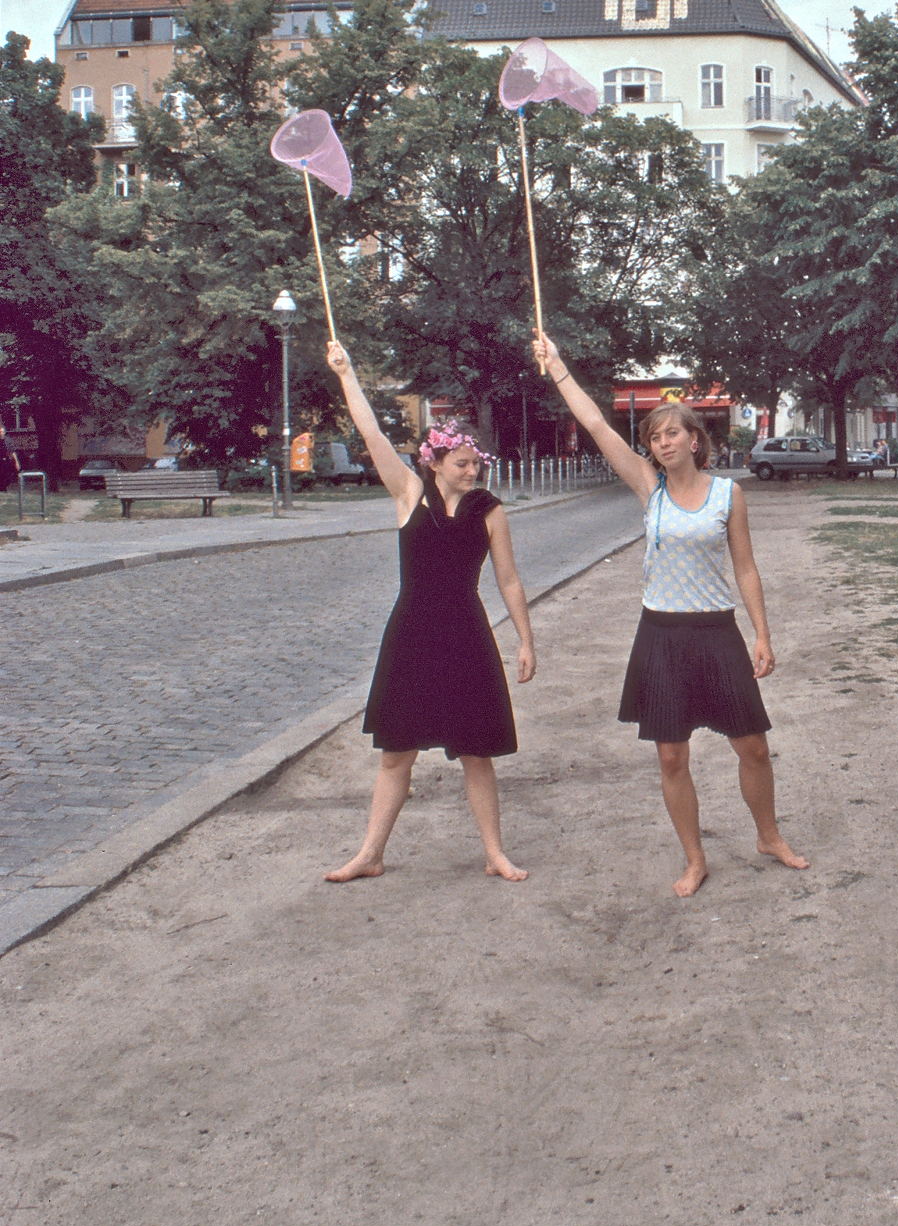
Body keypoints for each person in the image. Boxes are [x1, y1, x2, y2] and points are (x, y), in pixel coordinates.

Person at [532, 329, 807, 898]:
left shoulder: (729, 495)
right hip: (661, 633)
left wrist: (762, 634)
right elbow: (596, 426)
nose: (662, 443)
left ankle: (769, 835)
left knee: (752, 743)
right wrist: (557, 366)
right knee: (672, 754)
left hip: (716, 630)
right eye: (655, 436)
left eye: (672, 432)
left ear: (694, 438)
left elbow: (747, 568)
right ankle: (694, 858)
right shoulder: (647, 488)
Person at [322, 341, 536, 884]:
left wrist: (526, 640)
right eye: (462, 463)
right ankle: (370, 854)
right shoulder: (408, 495)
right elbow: (371, 435)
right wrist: (347, 373)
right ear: (435, 462)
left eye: (476, 463)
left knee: (476, 752)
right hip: (412, 634)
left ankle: (495, 853)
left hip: (467, 635)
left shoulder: (489, 509)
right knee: (397, 753)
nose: (472, 471)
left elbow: (508, 579)